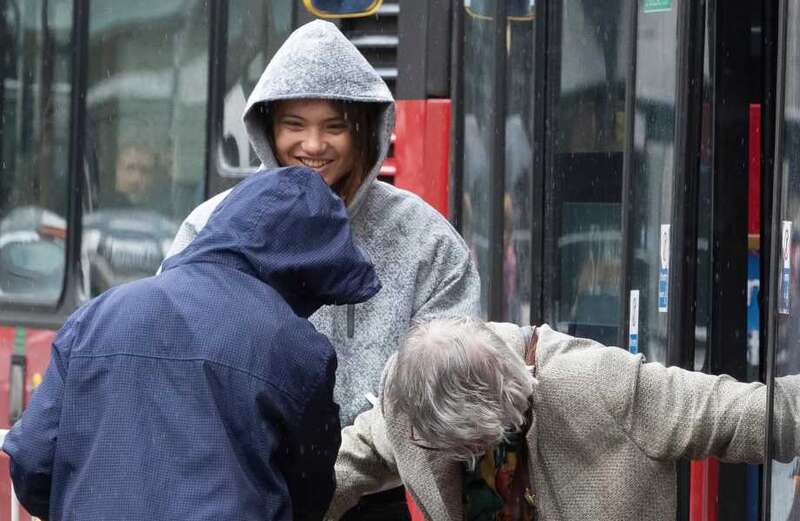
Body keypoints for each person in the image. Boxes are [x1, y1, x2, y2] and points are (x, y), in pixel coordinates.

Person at [161, 19, 480, 519]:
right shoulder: (209, 228)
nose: (313, 145)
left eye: (334, 126)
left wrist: (345, 476)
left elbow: (451, 384)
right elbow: (177, 366)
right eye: (294, 125)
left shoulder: (427, 240)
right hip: (245, 495)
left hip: (386, 502)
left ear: (366, 132)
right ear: (267, 129)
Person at [3, 166, 381, 521]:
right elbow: (310, 493)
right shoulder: (299, 350)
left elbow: (34, 460)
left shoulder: (98, 314)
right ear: (308, 268)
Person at [327, 317, 800, 521]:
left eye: (474, 445)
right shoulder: (408, 398)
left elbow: (749, 414)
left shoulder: (601, 384)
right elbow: (348, 465)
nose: (467, 458)